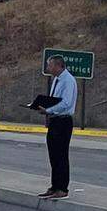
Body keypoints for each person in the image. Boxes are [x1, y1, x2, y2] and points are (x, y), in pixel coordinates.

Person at [40, 55, 77, 199]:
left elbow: (66, 103)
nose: (48, 68)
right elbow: (55, 100)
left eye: (50, 65)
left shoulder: (68, 80)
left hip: (63, 121)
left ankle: (62, 188)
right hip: (55, 120)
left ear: (58, 65)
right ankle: (54, 185)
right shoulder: (57, 79)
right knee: (53, 155)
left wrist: (48, 110)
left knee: (61, 155)